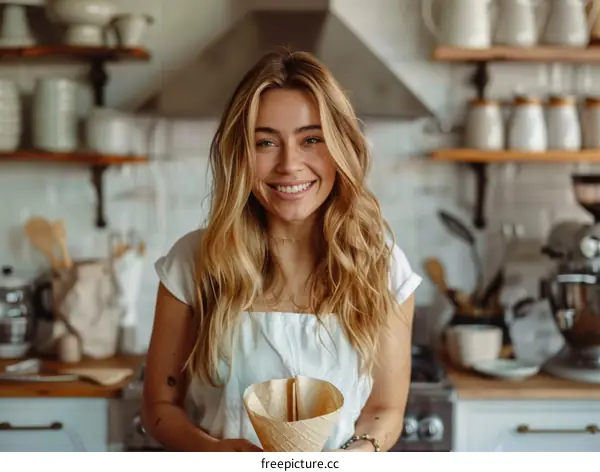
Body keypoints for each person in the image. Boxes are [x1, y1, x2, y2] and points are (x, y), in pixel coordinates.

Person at [141, 49, 422, 453]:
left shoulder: (383, 268)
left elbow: (385, 409)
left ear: (341, 147)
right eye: (265, 142)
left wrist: (359, 453)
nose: (289, 165)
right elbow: (159, 406)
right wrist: (215, 452)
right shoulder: (193, 262)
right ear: (240, 155)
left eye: (312, 139)